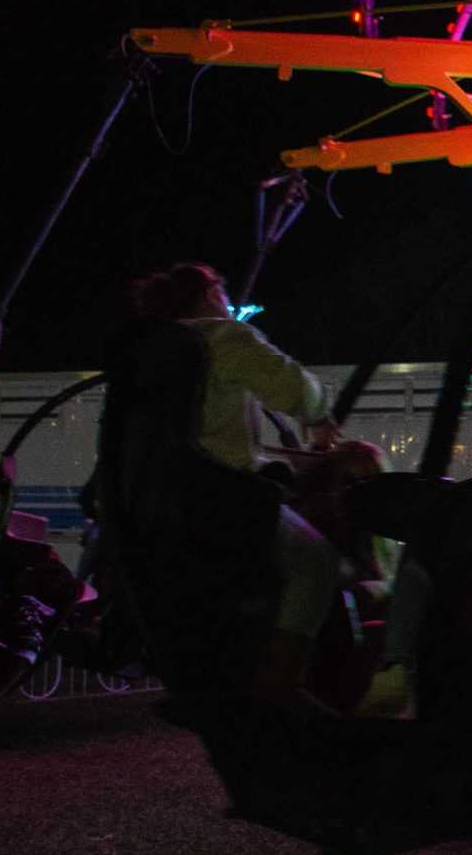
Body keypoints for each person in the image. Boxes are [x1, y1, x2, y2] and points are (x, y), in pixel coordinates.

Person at [130, 262, 342, 702]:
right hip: (217, 501)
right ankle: (278, 686)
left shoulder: (147, 352)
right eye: (223, 297)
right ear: (210, 294)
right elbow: (293, 390)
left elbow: (207, 437)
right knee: (316, 561)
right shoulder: (220, 337)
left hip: (153, 501)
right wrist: (320, 417)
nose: (227, 305)